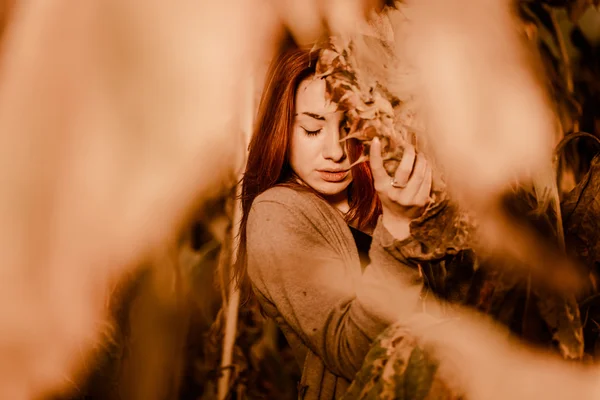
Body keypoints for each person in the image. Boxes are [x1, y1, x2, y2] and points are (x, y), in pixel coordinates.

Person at [235, 37, 436, 400]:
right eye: (312, 129)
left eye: (350, 129)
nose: (336, 152)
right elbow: (354, 351)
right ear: (281, 126)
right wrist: (398, 226)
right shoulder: (275, 213)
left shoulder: (381, 197)